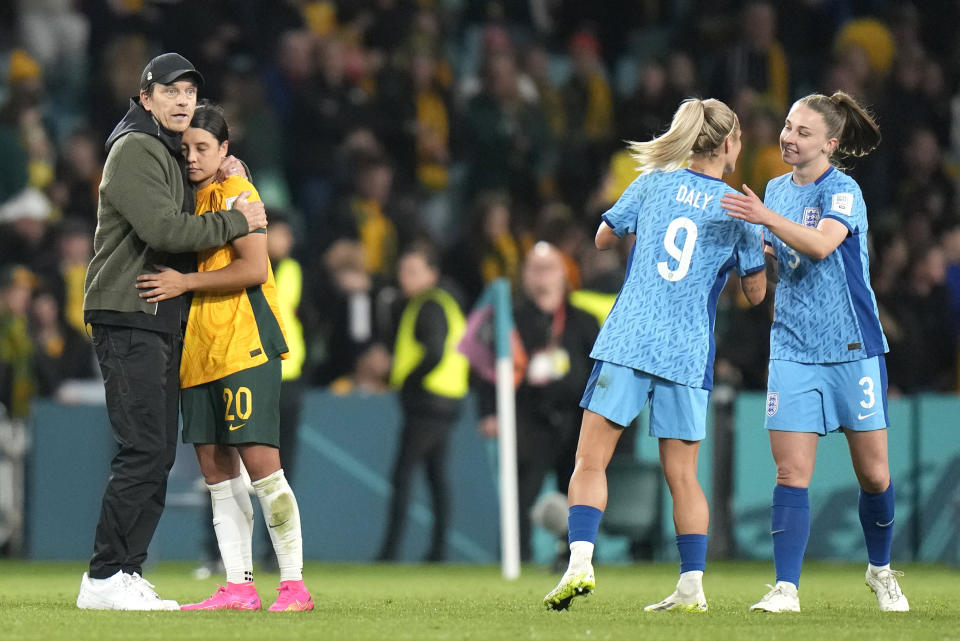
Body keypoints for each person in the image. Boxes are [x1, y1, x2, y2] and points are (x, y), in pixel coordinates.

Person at [543, 98, 767, 611]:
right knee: (683, 476)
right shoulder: (739, 210)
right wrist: (754, 253)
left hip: (629, 339)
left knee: (589, 461)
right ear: (730, 143)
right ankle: (691, 586)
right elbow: (755, 295)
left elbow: (602, 239)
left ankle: (579, 563)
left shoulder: (652, 182)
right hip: (687, 351)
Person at [76, 53, 267, 611]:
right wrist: (240, 219)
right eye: (171, 91)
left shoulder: (159, 147)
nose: (183, 100)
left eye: (189, 91)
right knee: (143, 449)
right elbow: (163, 227)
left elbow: (191, 194)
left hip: (151, 316)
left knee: (154, 451)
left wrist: (234, 173)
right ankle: (106, 576)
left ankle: (124, 571)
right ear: (145, 97)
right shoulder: (135, 148)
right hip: (129, 311)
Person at [721, 91, 910, 613]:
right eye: (787, 126)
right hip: (793, 347)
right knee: (790, 473)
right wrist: (756, 257)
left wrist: (765, 220)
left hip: (853, 346)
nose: (789, 137)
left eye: (803, 132)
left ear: (829, 143)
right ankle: (786, 588)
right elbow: (781, 264)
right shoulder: (775, 191)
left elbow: (823, 245)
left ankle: (880, 570)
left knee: (874, 475)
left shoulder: (844, 190)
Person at [134, 102, 312, 612]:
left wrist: (184, 281)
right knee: (216, 474)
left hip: (245, 344)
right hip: (199, 350)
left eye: (203, 148)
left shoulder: (239, 193)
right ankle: (238, 585)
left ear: (225, 150)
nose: (191, 157)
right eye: (185, 148)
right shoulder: (184, 198)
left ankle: (294, 584)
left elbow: (255, 268)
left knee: (264, 470)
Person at [476, 242, 599, 563]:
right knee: (521, 493)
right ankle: (517, 556)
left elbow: (603, 372)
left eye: (549, 269)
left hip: (575, 419)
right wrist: (489, 412)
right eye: (534, 268)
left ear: (563, 275)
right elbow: (487, 368)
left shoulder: (583, 320)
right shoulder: (509, 319)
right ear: (524, 275)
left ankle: (576, 557)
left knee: (578, 490)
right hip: (527, 417)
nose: (541, 277)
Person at [377, 242, 469, 562]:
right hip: (444, 401)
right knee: (435, 477)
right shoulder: (441, 302)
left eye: (413, 271)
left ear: (433, 273)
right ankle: (437, 551)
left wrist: (410, 382)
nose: (405, 277)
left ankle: (390, 552)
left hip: (428, 401)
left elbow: (434, 351)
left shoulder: (429, 304)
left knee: (404, 475)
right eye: (403, 270)